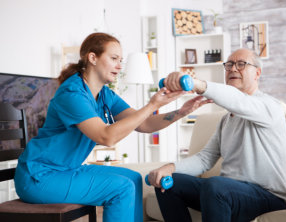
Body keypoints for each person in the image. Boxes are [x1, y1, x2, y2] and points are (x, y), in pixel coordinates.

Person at [14, 32, 212, 222]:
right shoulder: (72, 94)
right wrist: (152, 104)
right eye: (114, 58)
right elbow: (106, 137)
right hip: (39, 177)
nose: (119, 66)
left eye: (121, 61)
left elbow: (144, 123)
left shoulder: (104, 94)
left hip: (66, 170)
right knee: (121, 188)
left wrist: (180, 112)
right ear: (92, 57)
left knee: (133, 179)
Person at [147, 48, 286, 222]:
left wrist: (196, 84)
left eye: (241, 64)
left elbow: (238, 101)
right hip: (228, 192)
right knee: (168, 183)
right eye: (229, 64)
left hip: (268, 196)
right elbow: (205, 158)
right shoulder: (226, 120)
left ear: (257, 73)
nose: (233, 69)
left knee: (215, 185)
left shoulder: (270, 107)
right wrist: (169, 168)